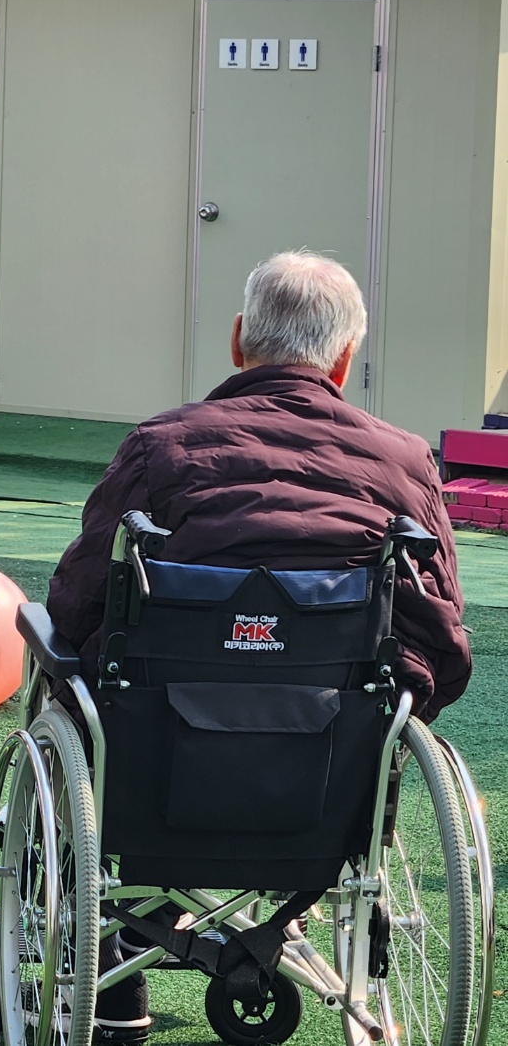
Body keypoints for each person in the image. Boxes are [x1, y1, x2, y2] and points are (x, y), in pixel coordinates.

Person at [46, 251, 472, 1043]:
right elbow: (440, 634)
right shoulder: (407, 462)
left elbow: (76, 603)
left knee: (65, 673)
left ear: (240, 339)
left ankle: (111, 946)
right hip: (327, 782)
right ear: (345, 358)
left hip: (156, 772)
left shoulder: (161, 446)